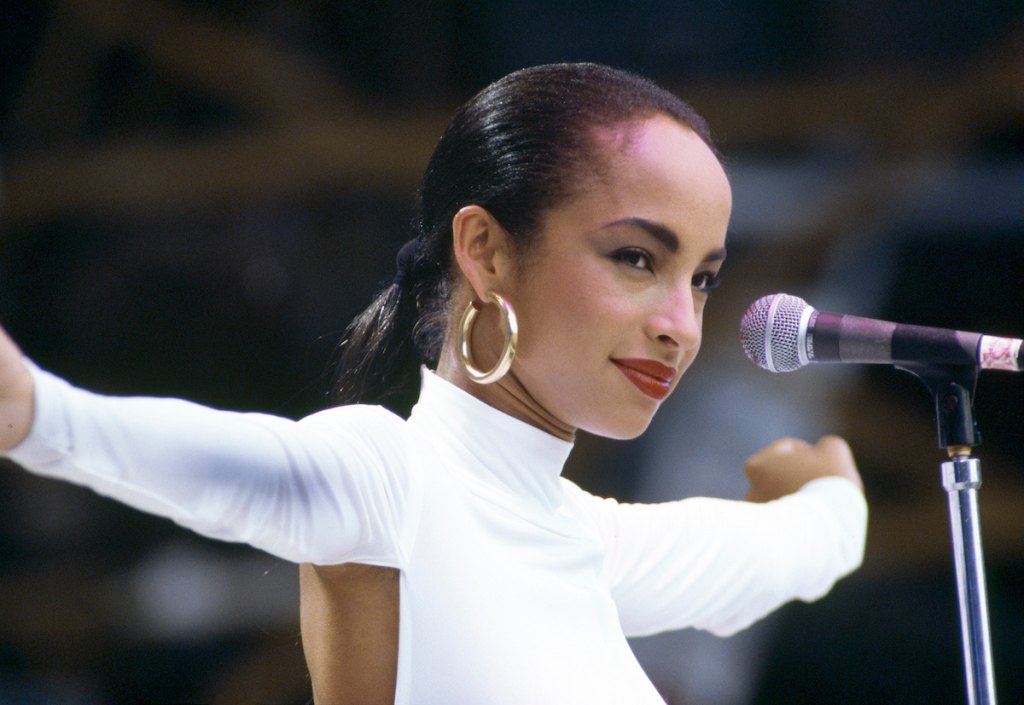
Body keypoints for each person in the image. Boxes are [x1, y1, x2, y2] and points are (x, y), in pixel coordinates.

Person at [0, 63, 866, 704]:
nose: (681, 320)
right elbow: (245, 470)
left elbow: (796, 548)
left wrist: (829, 500)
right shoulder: (392, 479)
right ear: (486, 250)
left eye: (704, 278)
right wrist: (40, 411)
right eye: (636, 257)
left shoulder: (591, 545)